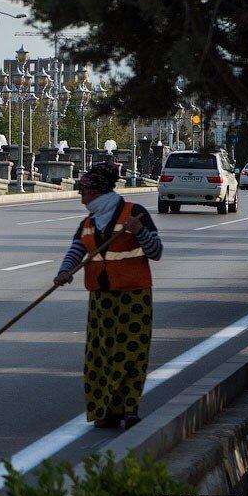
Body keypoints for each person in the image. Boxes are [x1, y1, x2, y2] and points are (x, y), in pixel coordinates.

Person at [52, 161, 163, 429]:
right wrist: (64, 272)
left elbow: (156, 252)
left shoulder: (133, 214)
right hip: (101, 298)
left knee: (130, 353)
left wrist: (139, 232)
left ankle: (129, 408)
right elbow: (76, 250)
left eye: (84, 193)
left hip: (133, 296)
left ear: (98, 192)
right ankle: (105, 411)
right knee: (99, 356)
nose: (81, 199)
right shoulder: (89, 222)